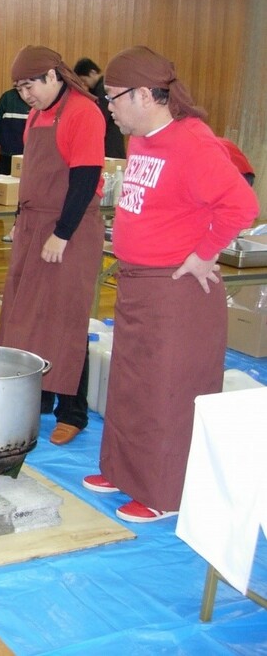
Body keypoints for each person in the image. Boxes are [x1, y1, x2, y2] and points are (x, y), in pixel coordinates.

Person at [82, 46, 259, 523]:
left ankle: (163, 492)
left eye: (115, 98)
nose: (109, 106)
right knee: (130, 384)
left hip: (174, 291)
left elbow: (241, 206)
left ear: (145, 95)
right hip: (138, 283)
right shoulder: (140, 139)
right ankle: (122, 470)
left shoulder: (193, 142)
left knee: (167, 391)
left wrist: (205, 254)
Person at [0, 45, 106, 447]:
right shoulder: (37, 114)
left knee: (64, 318)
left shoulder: (83, 112)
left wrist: (61, 233)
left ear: (54, 76)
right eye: (20, 88)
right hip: (33, 224)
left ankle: (72, 411)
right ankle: (38, 395)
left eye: (31, 86)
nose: (26, 94)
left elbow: (85, 178)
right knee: (24, 313)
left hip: (67, 228)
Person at [73, 57, 127, 159]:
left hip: (110, 142)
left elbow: (101, 116)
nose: (85, 84)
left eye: (84, 80)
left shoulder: (103, 89)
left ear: (93, 73)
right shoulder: (96, 91)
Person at [0, 87, 31, 176]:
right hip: (7, 149)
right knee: (3, 178)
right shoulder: (7, 97)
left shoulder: (37, 97)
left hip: (28, 151)